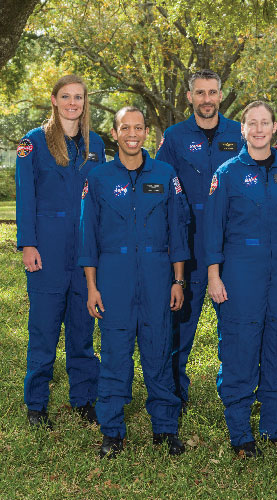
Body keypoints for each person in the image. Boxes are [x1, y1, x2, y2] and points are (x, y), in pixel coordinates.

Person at [79, 106, 190, 459]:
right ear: (114, 134)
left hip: (158, 274)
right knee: (115, 356)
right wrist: (93, 287)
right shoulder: (97, 178)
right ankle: (112, 431)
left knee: (159, 353)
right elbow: (88, 238)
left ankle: (165, 429)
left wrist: (178, 281)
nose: (132, 134)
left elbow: (178, 232)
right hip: (114, 274)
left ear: (146, 133)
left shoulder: (166, 173)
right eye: (125, 128)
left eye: (138, 127)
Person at [204, 101, 277, 457]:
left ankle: (273, 425)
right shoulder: (228, 173)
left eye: (265, 123)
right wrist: (214, 276)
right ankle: (240, 433)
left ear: (274, 128)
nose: (259, 129)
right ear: (243, 129)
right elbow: (213, 229)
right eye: (253, 123)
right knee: (240, 349)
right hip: (240, 270)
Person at [16, 74, 104, 429]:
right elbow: (25, 195)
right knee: (44, 330)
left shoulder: (94, 144)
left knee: (82, 331)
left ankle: (84, 399)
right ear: (53, 100)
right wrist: (28, 244)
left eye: (79, 97)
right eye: (66, 96)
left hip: (84, 252)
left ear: (85, 103)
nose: (73, 103)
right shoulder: (33, 143)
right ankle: (36, 405)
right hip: (47, 250)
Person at [156, 69, 243, 410]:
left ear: (221, 96)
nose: (207, 99)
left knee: (235, 324)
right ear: (190, 97)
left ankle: (234, 390)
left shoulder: (240, 133)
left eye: (213, 92)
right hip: (187, 244)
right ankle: (175, 390)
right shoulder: (174, 137)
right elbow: (162, 188)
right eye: (200, 93)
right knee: (180, 323)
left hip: (232, 245)